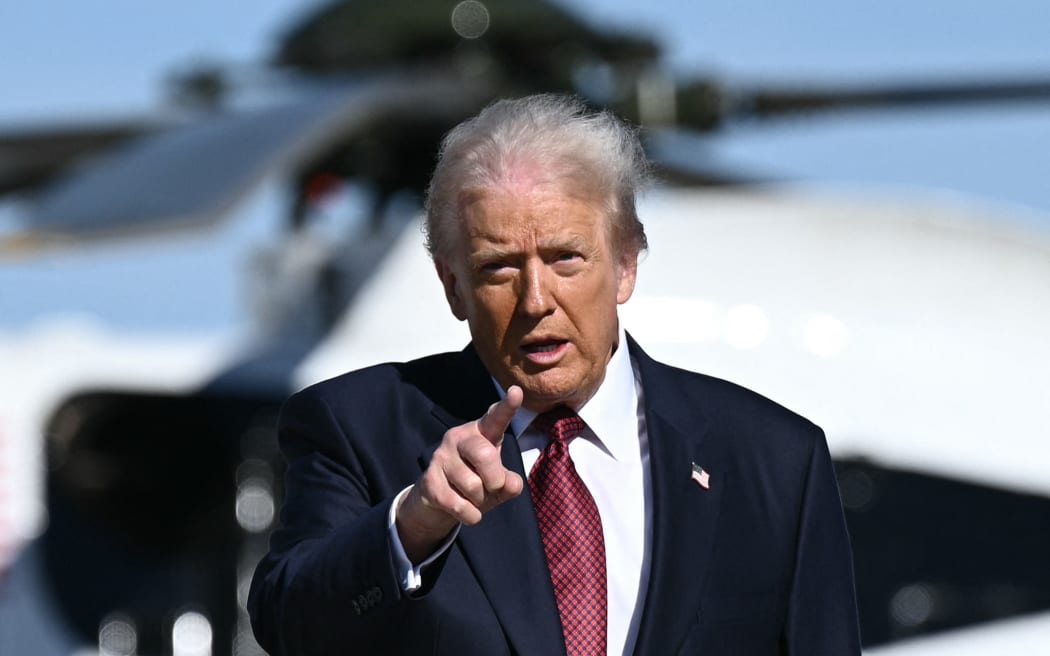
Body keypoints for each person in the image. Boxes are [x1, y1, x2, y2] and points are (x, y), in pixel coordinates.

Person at [248, 94, 861, 655]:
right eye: (498, 268)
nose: (536, 298)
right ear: (452, 286)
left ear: (625, 265)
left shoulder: (773, 460)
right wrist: (414, 525)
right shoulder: (358, 427)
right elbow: (287, 625)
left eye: (565, 257)